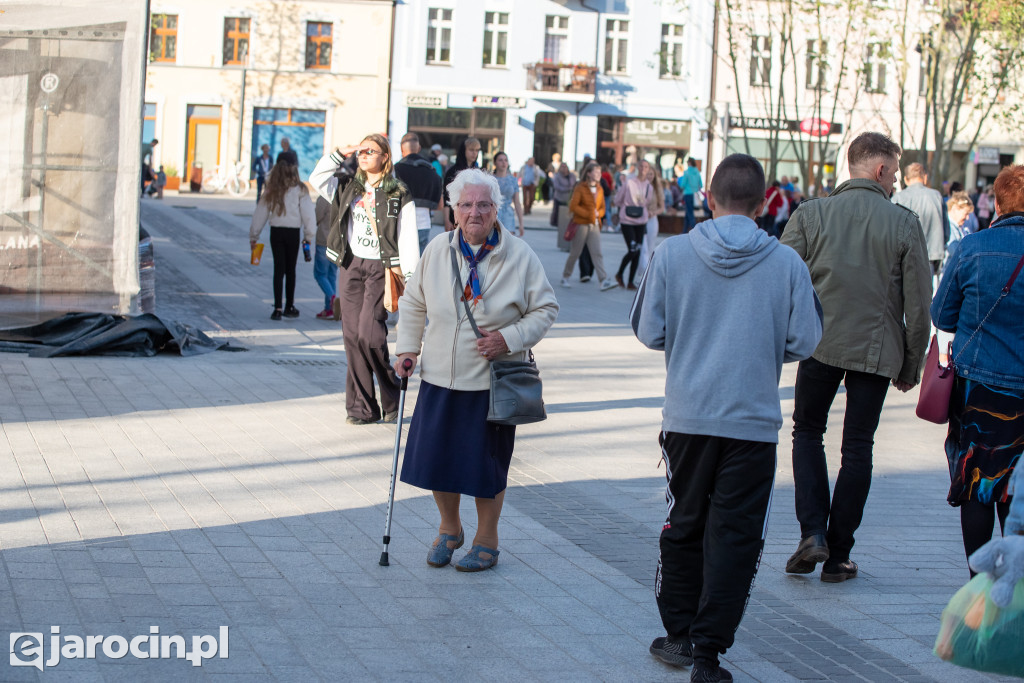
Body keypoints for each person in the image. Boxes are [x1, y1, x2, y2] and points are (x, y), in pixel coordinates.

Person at [632, 153, 823, 683]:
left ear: (708, 197)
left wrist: (693, 339)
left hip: (688, 416)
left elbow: (648, 331)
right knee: (736, 535)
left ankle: (677, 634)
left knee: (683, 522)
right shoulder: (787, 263)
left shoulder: (672, 254)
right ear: (764, 204)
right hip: (752, 423)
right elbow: (805, 340)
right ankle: (709, 654)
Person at [780, 132, 932, 582]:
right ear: (881, 170)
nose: (895, 183)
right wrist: (911, 363)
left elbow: (781, 277)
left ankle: (812, 532)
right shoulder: (902, 223)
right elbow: (919, 305)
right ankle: (839, 552)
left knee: (807, 432)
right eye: (894, 173)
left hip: (818, 344)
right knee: (857, 447)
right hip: (877, 350)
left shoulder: (811, 213)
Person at [394, 168, 558, 572]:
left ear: (495, 209)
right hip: (439, 377)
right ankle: (450, 528)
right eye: (465, 205)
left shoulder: (519, 254)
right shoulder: (437, 250)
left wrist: (509, 338)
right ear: (452, 210)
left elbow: (547, 308)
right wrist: (406, 350)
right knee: (438, 460)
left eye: (483, 205)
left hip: (491, 382)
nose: (474, 213)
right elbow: (414, 303)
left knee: (486, 466)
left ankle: (487, 539)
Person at [932, 164, 1024, 571]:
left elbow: (942, 314)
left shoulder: (972, 248)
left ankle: (978, 583)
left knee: (977, 485)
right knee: (1017, 487)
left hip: (979, 390)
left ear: (997, 202)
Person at [310, 134, 420, 425]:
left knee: (369, 335)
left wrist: (411, 278)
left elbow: (408, 237)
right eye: (361, 152)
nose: (363, 155)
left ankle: (391, 395)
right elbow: (317, 178)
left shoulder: (398, 192)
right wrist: (339, 152)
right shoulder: (347, 185)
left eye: (370, 151)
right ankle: (362, 408)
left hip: (381, 268)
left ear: (385, 156)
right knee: (351, 338)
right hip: (350, 266)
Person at [249, 162, 316, 321]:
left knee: (278, 269)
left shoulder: (272, 189)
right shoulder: (301, 189)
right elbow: (308, 214)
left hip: (276, 231)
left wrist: (254, 236)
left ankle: (277, 308)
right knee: (291, 270)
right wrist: (308, 235)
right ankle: (289, 306)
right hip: (293, 232)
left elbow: (260, 213)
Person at [560, 162, 617, 291]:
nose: (598, 175)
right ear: (589, 173)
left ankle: (603, 280)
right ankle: (565, 276)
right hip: (581, 224)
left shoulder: (599, 188)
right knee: (576, 252)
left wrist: (598, 214)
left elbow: (602, 207)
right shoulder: (580, 187)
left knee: (597, 253)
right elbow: (573, 206)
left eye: (599, 172)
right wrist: (590, 214)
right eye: (596, 172)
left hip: (594, 225)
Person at [893, 162, 947, 278]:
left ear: (906, 179)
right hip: (930, 255)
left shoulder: (898, 198)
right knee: (926, 293)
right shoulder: (936, 196)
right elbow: (945, 229)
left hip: (904, 256)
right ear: (925, 177)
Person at [393, 132, 443, 253]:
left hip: (400, 224)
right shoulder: (432, 171)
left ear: (401, 149)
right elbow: (440, 206)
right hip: (423, 224)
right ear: (419, 148)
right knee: (417, 267)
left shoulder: (395, 170)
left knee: (398, 267)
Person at [614, 159, 653, 290]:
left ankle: (630, 281)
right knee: (633, 249)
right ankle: (619, 273)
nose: (643, 169)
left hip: (641, 221)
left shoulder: (649, 186)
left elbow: (647, 202)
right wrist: (626, 207)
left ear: (648, 169)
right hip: (627, 220)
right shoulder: (629, 182)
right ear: (637, 167)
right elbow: (617, 199)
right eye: (641, 166)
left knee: (638, 250)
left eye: (646, 167)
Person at [443, 138, 481, 231]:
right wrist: (446, 220)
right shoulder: (452, 172)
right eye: (471, 150)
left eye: (477, 150)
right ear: (464, 150)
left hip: (473, 217)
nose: (474, 153)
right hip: (455, 218)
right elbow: (446, 198)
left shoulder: (479, 172)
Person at [313, 195, 339, 319]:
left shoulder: (325, 197)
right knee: (331, 275)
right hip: (338, 242)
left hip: (324, 239)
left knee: (320, 274)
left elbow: (317, 216)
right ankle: (329, 309)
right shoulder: (344, 195)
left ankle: (332, 298)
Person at [491, 151, 525, 237]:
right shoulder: (490, 179)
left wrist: (521, 224)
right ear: (495, 162)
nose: (503, 162)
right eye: (500, 160)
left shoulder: (513, 180)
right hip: (493, 214)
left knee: (508, 244)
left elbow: (517, 202)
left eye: (506, 160)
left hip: (508, 215)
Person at [640, 165, 665, 272]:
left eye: (651, 174)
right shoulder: (640, 186)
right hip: (640, 220)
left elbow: (662, 208)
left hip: (652, 220)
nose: (649, 176)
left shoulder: (657, 188)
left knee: (650, 248)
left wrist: (653, 212)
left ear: (654, 175)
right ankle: (642, 272)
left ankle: (647, 272)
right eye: (647, 174)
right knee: (643, 248)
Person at [945, 191, 973, 262]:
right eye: (966, 213)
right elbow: (956, 253)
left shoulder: (961, 227)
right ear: (955, 209)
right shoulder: (948, 227)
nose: (967, 218)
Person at [678, 158, 703, 233]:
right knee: (688, 213)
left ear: (689, 163)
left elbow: (682, 185)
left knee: (690, 213)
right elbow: (701, 185)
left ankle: (696, 231)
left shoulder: (686, 172)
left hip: (687, 194)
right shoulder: (697, 172)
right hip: (695, 195)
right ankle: (684, 231)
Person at [549, 163, 577, 232]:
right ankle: (557, 224)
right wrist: (567, 189)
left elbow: (574, 184)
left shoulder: (571, 176)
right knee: (557, 212)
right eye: (562, 167)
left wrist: (570, 188)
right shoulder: (557, 176)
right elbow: (556, 186)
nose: (564, 169)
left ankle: (567, 223)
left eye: (565, 167)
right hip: (559, 197)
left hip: (569, 198)